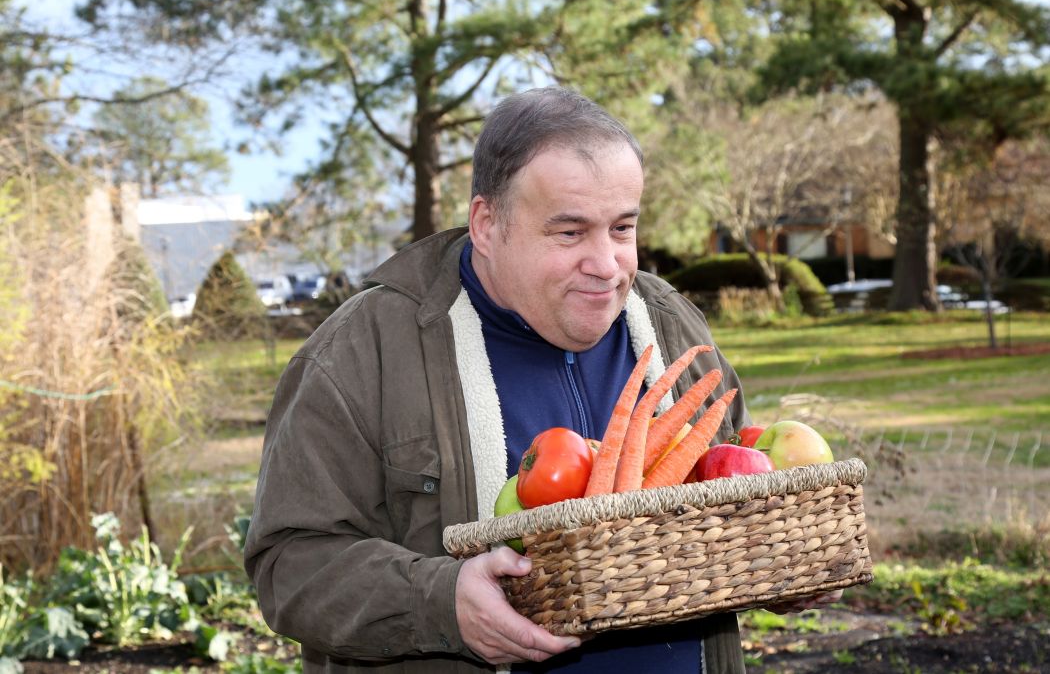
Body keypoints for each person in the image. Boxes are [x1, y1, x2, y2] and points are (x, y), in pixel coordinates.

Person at [244, 86, 830, 674]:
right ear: (487, 224)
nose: (606, 265)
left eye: (622, 228)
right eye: (569, 233)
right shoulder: (361, 352)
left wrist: (780, 562)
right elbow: (288, 565)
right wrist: (441, 602)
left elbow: (734, 497)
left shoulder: (672, 324)